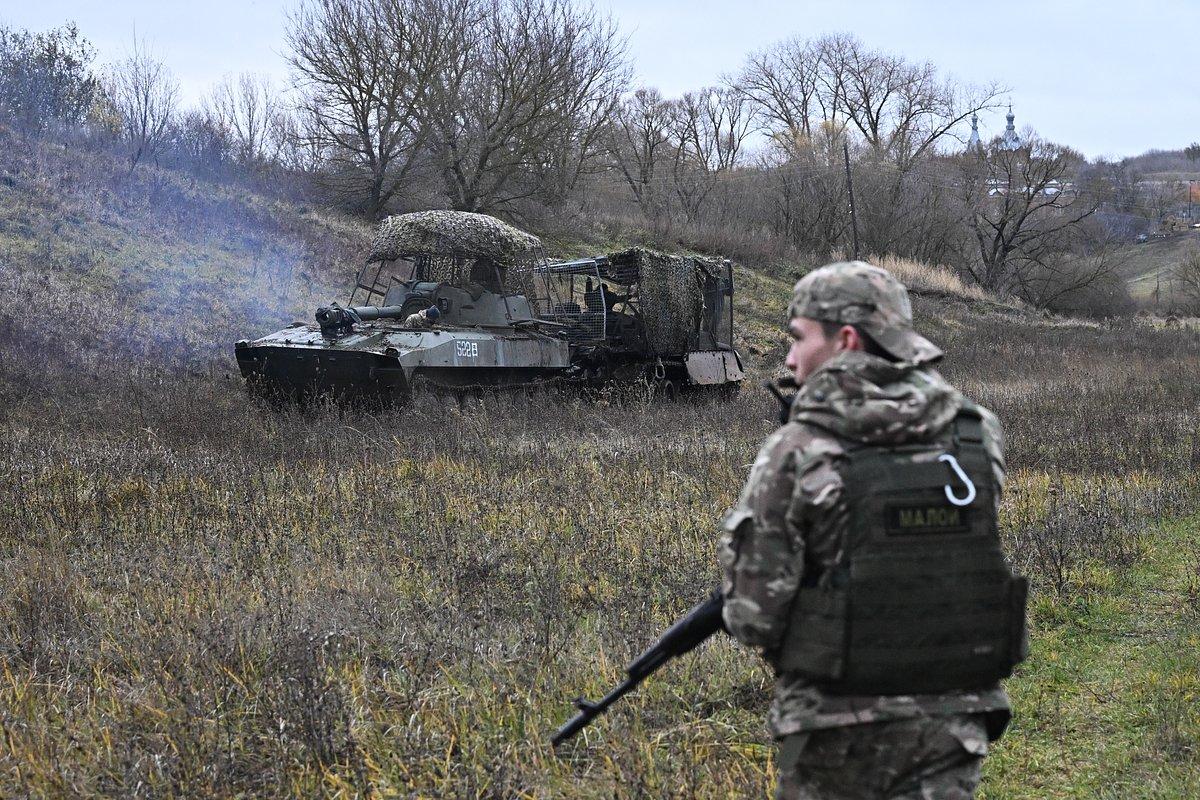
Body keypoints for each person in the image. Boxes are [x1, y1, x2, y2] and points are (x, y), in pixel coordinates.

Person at [717, 261, 1025, 800]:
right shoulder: (976, 434)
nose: (788, 359)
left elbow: (753, 618)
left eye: (798, 338)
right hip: (952, 726)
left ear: (846, 340)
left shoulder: (796, 451)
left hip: (832, 733)